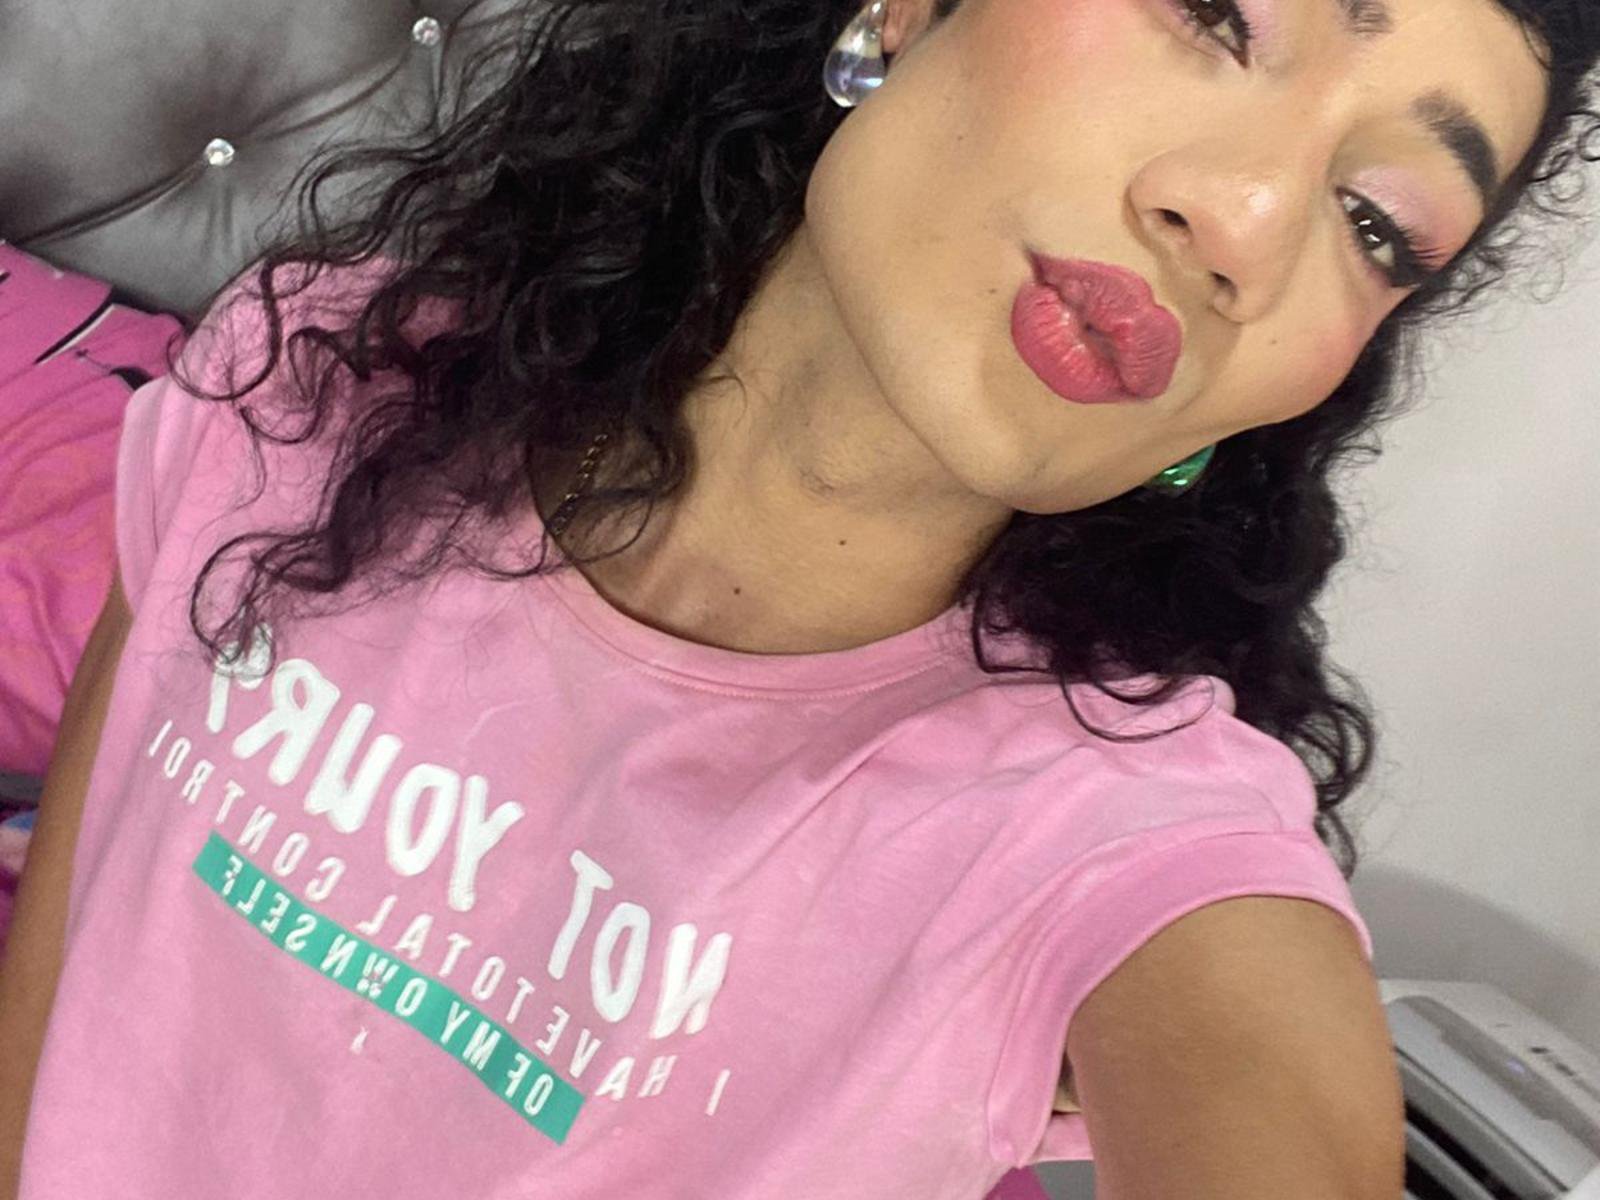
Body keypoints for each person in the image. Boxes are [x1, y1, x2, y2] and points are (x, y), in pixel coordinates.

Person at [0, 0, 1594, 1197]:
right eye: (1216, 16)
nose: (1245, 225)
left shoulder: (1120, 838)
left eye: (1378, 223)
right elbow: (55, 1031)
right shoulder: (320, 376)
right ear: (904, 9)